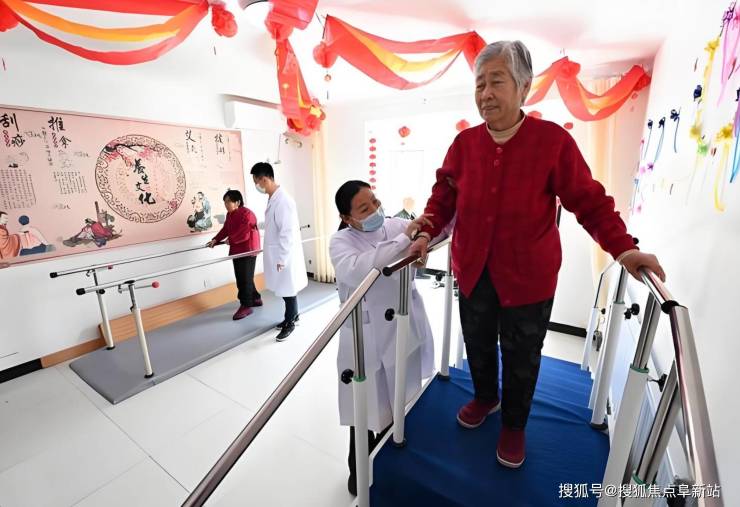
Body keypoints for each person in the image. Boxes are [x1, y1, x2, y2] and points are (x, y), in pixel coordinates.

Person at [409, 40, 666, 469]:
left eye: (496, 81)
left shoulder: (553, 142)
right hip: (472, 269)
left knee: (522, 354)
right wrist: (425, 231)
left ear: (524, 87)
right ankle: (486, 397)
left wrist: (624, 248)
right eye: (479, 84)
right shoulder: (464, 144)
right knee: (477, 342)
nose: (485, 93)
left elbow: (589, 202)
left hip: (528, 276)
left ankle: (514, 424)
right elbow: (443, 196)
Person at [329, 180, 435, 495]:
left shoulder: (396, 225)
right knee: (365, 410)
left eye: (375, 201)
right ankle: (359, 472)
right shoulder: (340, 241)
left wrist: (422, 237)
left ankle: (389, 468)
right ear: (347, 218)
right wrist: (405, 238)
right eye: (364, 208)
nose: (375, 210)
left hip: (401, 327)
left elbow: (434, 230)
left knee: (398, 402)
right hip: (365, 338)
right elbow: (359, 269)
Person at [250, 162, 307, 341]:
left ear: (264, 179)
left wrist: (282, 258)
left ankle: (290, 322)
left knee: (287, 289)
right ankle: (293, 316)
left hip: (284, 254)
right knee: (285, 289)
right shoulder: (274, 198)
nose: (256, 186)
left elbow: (287, 232)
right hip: (278, 252)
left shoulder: (283, 200)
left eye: (256, 182)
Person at [207, 190, 261, 320]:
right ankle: (256, 298)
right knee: (244, 277)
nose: (226, 204)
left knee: (244, 279)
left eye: (228, 201)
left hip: (248, 250)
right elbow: (226, 229)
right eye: (224, 202)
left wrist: (230, 240)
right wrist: (216, 240)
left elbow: (244, 233)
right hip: (237, 250)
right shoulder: (230, 214)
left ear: (237, 202)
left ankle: (246, 306)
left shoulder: (247, 214)